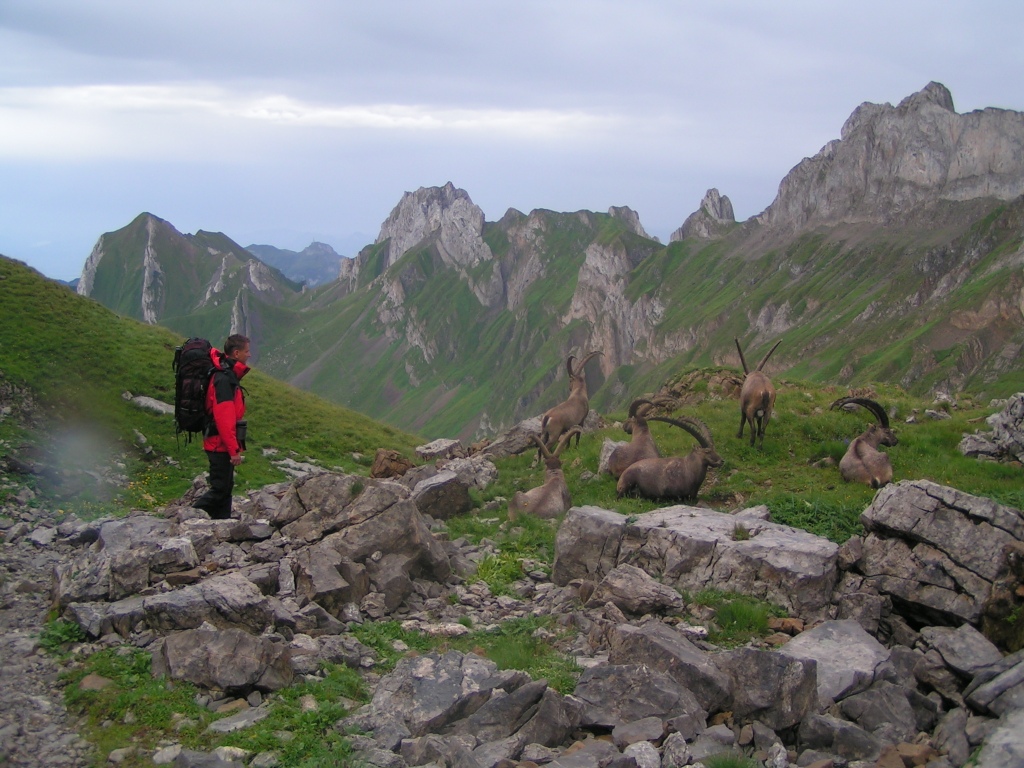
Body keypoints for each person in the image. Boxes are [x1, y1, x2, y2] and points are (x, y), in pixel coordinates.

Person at [192, 334, 251, 519]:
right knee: (219, 489)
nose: (249, 355)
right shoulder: (224, 379)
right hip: (219, 444)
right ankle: (189, 516)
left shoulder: (226, 375)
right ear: (236, 353)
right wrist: (234, 450)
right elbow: (224, 418)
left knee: (225, 487)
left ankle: (222, 523)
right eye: (246, 351)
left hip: (219, 442)